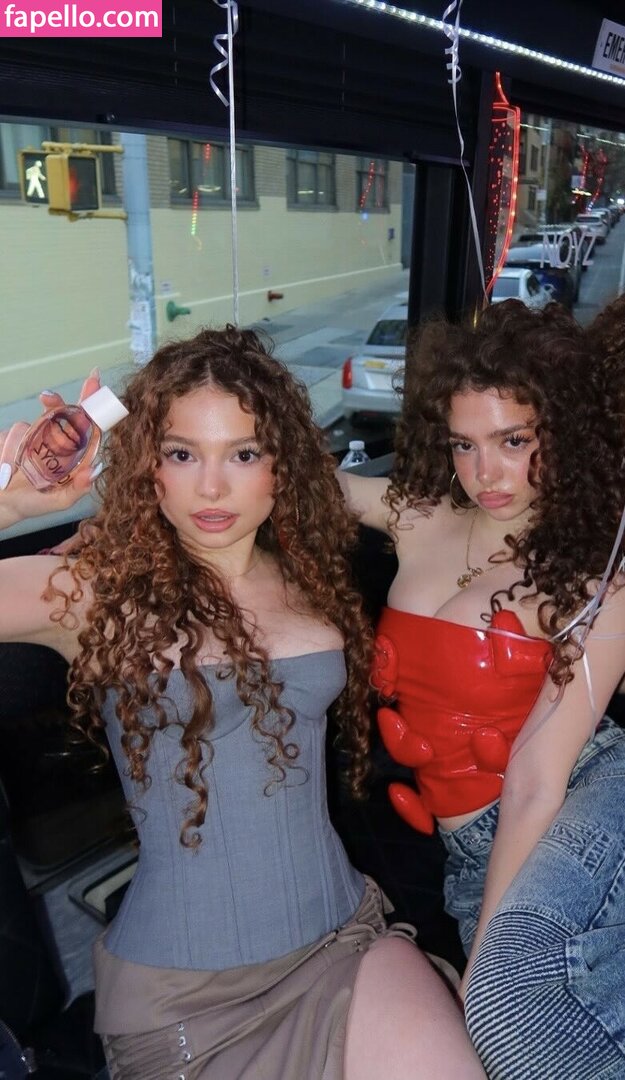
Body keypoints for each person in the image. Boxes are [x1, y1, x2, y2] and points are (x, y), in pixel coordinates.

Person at [0, 327, 485, 1080]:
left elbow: (474, 520)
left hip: (342, 939)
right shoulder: (93, 591)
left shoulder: (306, 573)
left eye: (244, 453)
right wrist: (9, 500)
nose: (212, 488)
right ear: (147, 465)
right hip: (188, 999)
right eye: (182, 453)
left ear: (281, 463)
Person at [338, 299, 625, 1079]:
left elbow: (535, 779)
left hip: (577, 802)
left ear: (562, 432)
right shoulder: (419, 515)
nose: (484, 473)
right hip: (468, 850)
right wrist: (119, 484)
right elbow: (289, 480)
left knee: (504, 1017)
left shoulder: (597, 570)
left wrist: (485, 968)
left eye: (512, 441)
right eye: (462, 444)